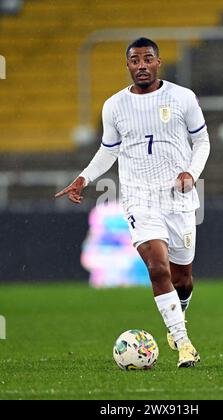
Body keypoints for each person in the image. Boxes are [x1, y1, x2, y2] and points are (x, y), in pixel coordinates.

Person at [55, 37, 210, 368]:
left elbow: (202, 141)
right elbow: (108, 149)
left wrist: (191, 173)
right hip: (139, 198)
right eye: (135, 60)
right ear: (127, 65)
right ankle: (184, 344)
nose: (142, 65)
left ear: (158, 62)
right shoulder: (114, 105)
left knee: (183, 279)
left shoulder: (183, 98)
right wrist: (84, 178)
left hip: (179, 199)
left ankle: (178, 313)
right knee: (157, 267)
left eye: (148, 59)